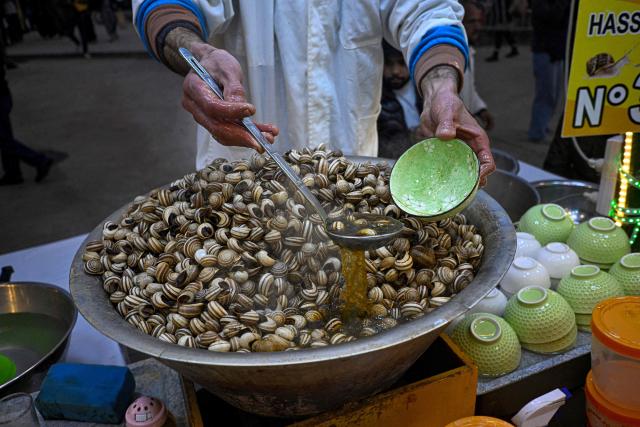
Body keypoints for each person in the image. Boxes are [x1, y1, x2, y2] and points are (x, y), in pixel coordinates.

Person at [132, 1, 495, 185]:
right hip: (241, 165)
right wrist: (198, 55)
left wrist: (440, 87)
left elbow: (425, 11)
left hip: (349, 164)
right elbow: (166, 4)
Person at [0, 37, 52, 185]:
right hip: (3, 92)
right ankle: (12, 172)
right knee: (5, 135)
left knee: (4, 139)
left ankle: (39, 160)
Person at [527, 0, 570, 142]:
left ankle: (541, 125)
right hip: (545, 51)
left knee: (554, 95)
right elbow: (551, 17)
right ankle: (537, 131)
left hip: (554, 51)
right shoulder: (541, 4)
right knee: (546, 94)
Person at [377, 41, 422, 160]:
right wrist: (411, 138)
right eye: (389, 64)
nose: (395, 71)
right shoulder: (375, 99)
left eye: (402, 63)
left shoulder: (424, 91)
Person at [461, 0, 494, 131]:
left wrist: (480, 109)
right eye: (472, 21)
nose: (478, 27)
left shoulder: (469, 51)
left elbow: (469, 88)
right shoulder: (449, 57)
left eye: (480, 21)